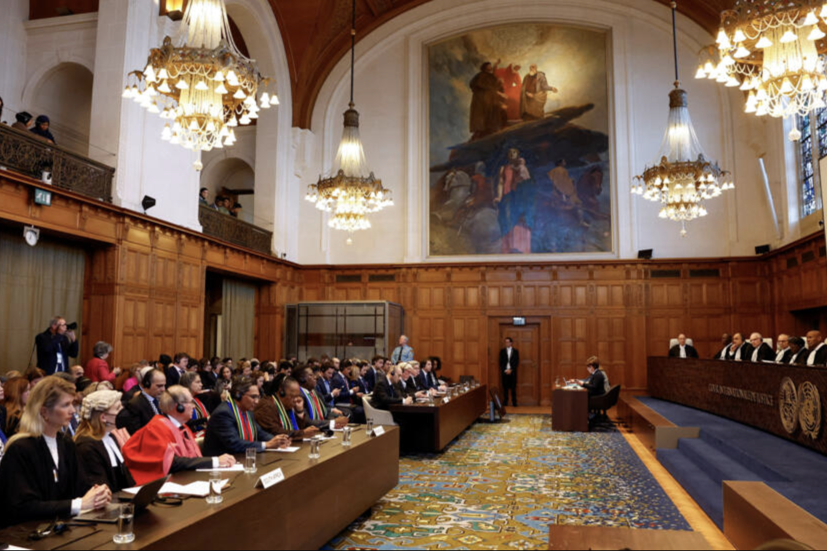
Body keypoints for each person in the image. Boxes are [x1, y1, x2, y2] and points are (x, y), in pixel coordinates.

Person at [0, 377, 112, 528]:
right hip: (27, 533)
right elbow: (23, 506)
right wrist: (78, 504)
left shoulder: (65, 443)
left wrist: (98, 494)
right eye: (65, 405)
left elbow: (80, 485)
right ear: (44, 411)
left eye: (72, 403)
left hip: (62, 528)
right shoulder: (20, 449)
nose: (73, 410)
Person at [123, 386, 237, 486]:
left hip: (187, 478)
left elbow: (192, 458)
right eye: (190, 402)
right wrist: (214, 461)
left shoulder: (182, 427)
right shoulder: (156, 428)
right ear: (179, 407)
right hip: (163, 485)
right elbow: (172, 463)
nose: (194, 406)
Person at [202, 377, 291, 456]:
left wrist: (279, 440)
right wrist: (267, 445)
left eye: (258, 397)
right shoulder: (223, 413)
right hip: (222, 463)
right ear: (238, 395)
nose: (257, 401)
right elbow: (234, 443)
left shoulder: (248, 411)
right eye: (253, 397)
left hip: (241, 458)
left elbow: (259, 433)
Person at [74, 389, 134, 493]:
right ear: (103, 417)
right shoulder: (86, 445)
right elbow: (99, 484)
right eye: (118, 408)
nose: (123, 411)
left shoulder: (110, 436)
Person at [254, 376, 321, 441]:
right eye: (293, 396)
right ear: (282, 392)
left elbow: (297, 428)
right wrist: (302, 433)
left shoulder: (287, 405)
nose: (296, 400)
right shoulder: (267, 406)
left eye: (297, 396)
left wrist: (299, 411)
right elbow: (276, 432)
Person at [495, 148, 532, 254]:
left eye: (514, 152)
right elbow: (501, 183)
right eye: (510, 153)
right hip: (508, 196)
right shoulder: (503, 168)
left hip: (519, 196)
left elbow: (527, 181)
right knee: (508, 218)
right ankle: (509, 246)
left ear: (518, 154)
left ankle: (521, 246)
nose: (512, 154)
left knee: (521, 219)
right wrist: (499, 196)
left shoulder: (521, 167)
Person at [116, 367, 166, 435]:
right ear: (147, 384)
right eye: (159, 386)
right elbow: (137, 433)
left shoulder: (160, 400)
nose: (163, 389)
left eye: (164, 385)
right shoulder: (135, 405)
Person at [469, 61, 506, 140]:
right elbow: (476, 84)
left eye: (490, 66)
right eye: (489, 66)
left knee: (491, 114)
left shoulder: (491, 76)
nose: (490, 67)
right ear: (485, 67)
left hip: (489, 99)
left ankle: (490, 129)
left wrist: (499, 82)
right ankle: (480, 131)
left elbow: (495, 85)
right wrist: (490, 90)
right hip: (481, 100)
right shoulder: (480, 75)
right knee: (481, 116)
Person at [500, 337, 519, 406]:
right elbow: (501, 362)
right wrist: (505, 370)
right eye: (506, 342)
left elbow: (516, 362)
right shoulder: (502, 351)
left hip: (512, 372)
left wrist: (511, 370)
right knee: (505, 388)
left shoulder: (515, 351)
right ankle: (505, 402)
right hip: (505, 372)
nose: (507, 343)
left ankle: (514, 402)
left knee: (513, 388)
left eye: (508, 342)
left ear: (511, 343)